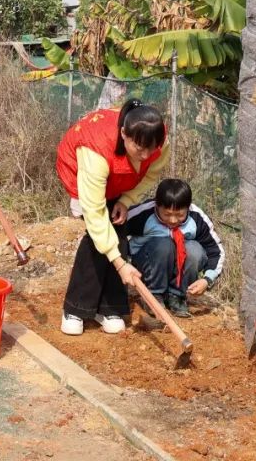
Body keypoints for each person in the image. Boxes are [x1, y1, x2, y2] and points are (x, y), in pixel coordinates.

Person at [56, 99, 168, 336]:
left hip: (119, 181)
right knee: (97, 238)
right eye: (140, 148)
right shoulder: (95, 150)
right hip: (82, 175)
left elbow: (150, 175)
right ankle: (76, 308)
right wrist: (120, 264)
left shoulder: (156, 141)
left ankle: (109, 307)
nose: (146, 154)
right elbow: (95, 213)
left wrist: (126, 201)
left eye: (152, 148)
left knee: (118, 230)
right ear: (124, 134)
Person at [125, 179, 224, 318]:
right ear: (156, 205)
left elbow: (216, 251)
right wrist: (122, 263)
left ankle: (177, 297)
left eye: (179, 215)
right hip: (148, 263)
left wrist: (207, 279)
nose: (172, 220)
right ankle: (154, 295)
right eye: (166, 214)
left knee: (194, 250)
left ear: (188, 207)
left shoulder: (197, 218)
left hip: (178, 268)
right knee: (164, 245)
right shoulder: (143, 213)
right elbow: (114, 231)